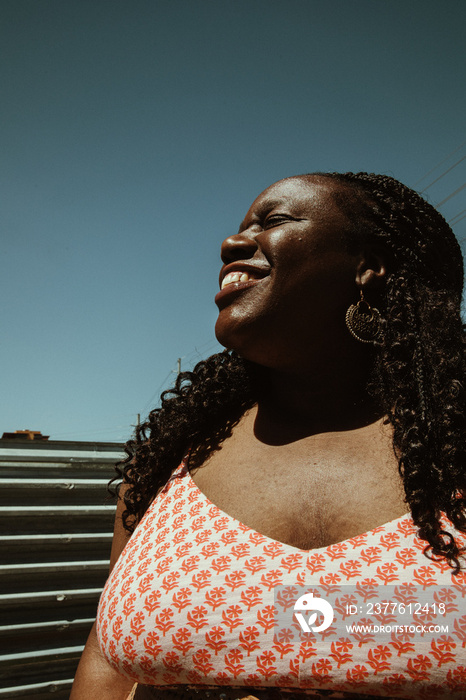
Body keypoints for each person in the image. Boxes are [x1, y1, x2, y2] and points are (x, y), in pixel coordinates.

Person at [71, 172, 466, 700]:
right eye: (240, 228)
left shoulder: (453, 448)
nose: (232, 243)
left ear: (369, 266)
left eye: (274, 220)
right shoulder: (167, 466)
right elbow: (110, 658)